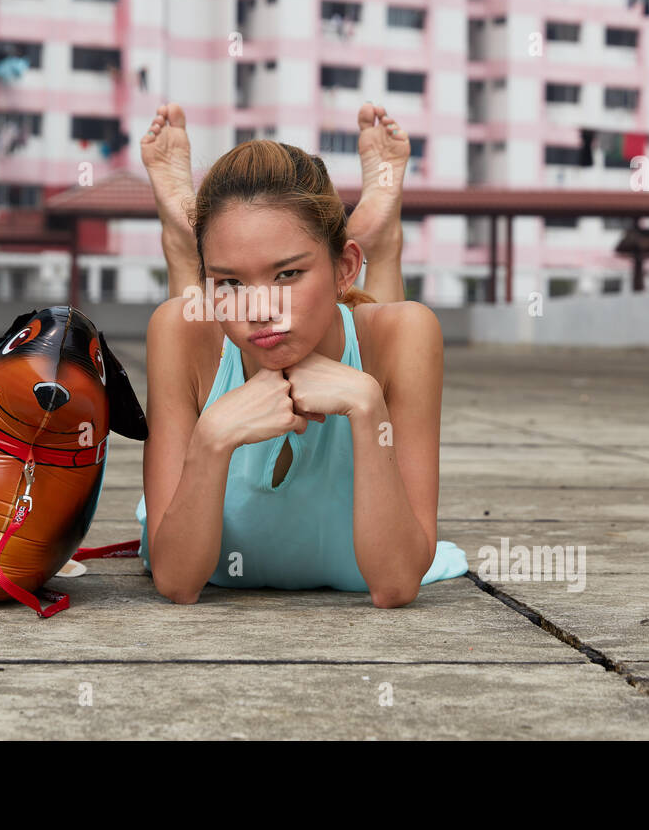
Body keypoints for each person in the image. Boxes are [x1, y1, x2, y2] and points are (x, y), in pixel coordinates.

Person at [134, 102, 468, 607]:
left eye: (287, 274)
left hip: (362, 313)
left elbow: (396, 583)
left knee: (388, 324)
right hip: (209, 320)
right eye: (229, 280)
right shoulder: (178, 332)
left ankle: (384, 236)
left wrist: (367, 403)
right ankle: (185, 239)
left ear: (343, 268)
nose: (262, 309)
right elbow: (179, 581)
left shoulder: (411, 333)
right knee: (189, 316)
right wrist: (211, 438)